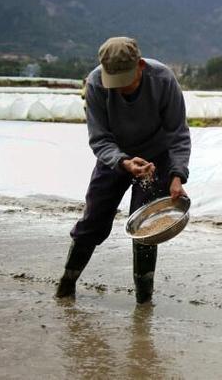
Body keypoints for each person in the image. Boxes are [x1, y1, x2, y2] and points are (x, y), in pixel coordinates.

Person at [55, 36, 191, 303]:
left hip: (154, 160)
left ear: (140, 65)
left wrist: (177, 175)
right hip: (115, 158)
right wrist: (124, 162)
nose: (121, 88)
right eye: (115, 82)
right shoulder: (96, 83)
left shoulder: (162, 80)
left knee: (146, 228)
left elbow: (178, 134)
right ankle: (66, 283)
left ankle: (143, 300)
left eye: (127, 81)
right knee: (92, 221)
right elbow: (99, 138)